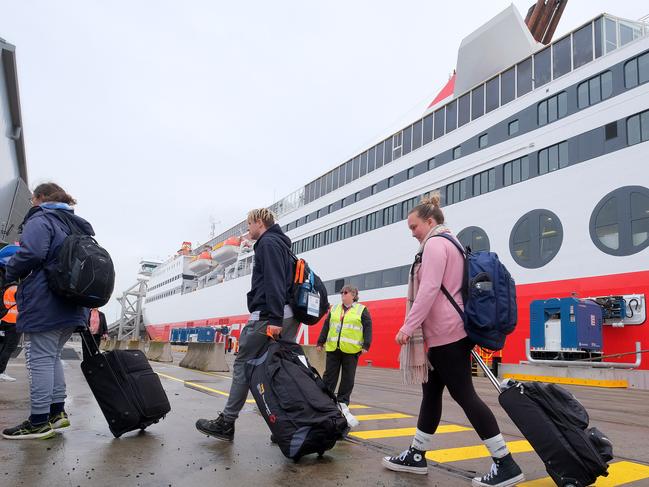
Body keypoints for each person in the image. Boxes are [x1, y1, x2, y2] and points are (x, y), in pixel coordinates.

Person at [382, 193, 524, 487]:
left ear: (430, 221)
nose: (412, 233)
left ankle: (505, 462)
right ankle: (416, 454)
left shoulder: (435, 244)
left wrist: (408, 327)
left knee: (464, 395)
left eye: (414, 226)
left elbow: (430, 289)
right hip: (447, 334)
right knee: (431, 393)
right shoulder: (453, 243)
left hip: (447, 334)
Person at [195, 208, 298, 441]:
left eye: (249, 225)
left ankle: (227, 422)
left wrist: (273, 319)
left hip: (269, 316)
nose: (247, 230)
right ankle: (288, 426)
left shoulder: (268, 243)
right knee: (279, 370)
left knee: (243, 364)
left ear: (259, 223)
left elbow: (274, 281)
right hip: (287, 313)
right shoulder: (282, 244)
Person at [2, 183, 93, 440]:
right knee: (52, 357)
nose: (31, 204)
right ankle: (56, 413)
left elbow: (32, 252)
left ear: (40, 198)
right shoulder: (73, 223)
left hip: (47, 299)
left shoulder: (42, 218)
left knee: (39, 357)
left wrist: (9, 271)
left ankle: (38, 421)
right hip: (72, 302)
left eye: (32, 199)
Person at [317, 285, 372, 409]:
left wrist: (366, 345)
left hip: (351, 350)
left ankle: (342, 402)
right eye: (341, 292)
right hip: (333, 348)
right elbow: (326, 326)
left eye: (345, 292)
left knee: (348, 378)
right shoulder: (335, 308)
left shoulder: (362, 310)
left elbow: (368, 327)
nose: (342, 294)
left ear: (353, 295)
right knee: (329, 376)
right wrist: (320, 342)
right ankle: (326, 400)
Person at [0, 281, 20, 382]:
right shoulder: (18, 289)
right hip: (14, 321)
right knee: (9, 347)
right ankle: (1, 371)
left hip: (5, 319)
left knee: (3, 346)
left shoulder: (6, 288)